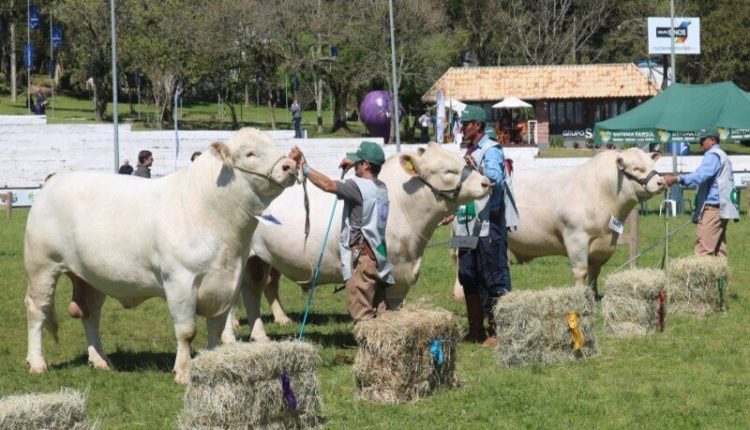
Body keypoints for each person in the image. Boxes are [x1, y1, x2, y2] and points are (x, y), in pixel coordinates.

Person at [289, 141, 394, 321]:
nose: (355, 166)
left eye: (358, 162)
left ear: (366, 164)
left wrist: (304, 167)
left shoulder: (357, 186)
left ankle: (368, 348)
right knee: (380, 311)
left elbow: (328, 185)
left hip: (362, 259)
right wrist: (354, 164)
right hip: (378, 256)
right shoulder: (382, 188)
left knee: (362, 313)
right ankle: (384, 347)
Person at [447, 105, 512, 347]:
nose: (461, 128)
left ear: (477, 125)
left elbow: (494, 178)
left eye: (465, 124)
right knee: (466, 274)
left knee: (492, 275)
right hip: (465, 224)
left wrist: (473, 165)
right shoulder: (469, 150)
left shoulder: (491, 150)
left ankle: (496, 330)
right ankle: (475, 328)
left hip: (487, 224)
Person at [664, 129, 740, 256]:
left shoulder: (713, 155)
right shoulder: (722, 155)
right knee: (718, 252)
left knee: (703, 253)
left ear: (713, 139)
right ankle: (720, 276)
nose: (700, 145)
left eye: (702, 140)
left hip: (713, 210)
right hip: (723, 209)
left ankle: (705, 277)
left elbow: (700, 176)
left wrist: (677, 178)